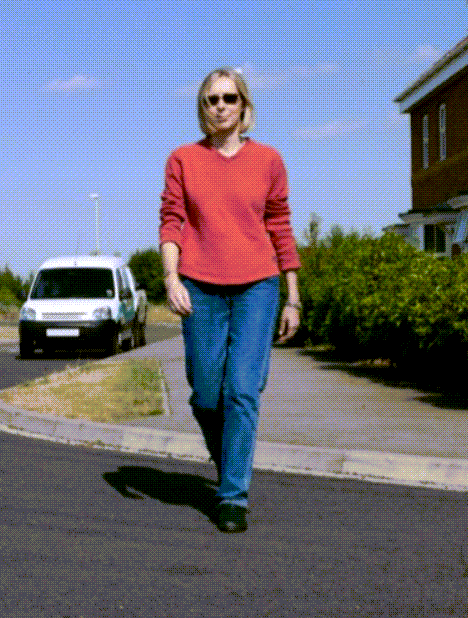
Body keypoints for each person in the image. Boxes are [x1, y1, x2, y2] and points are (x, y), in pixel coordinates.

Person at [160, 68, 302, 533]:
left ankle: (233, 495)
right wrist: (170, 277)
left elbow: (280, 226)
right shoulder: (183, 158)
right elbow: (172, 222)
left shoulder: (269, 160)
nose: (219, 106)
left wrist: (293, 296)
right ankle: (230, 464)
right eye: (210, 100)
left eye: (228, 98)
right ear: (201, 109)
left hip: (258, 286)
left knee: (241, 390)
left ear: (244, 107)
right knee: (205, 394)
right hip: (200, 285)